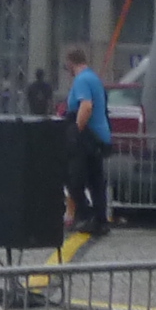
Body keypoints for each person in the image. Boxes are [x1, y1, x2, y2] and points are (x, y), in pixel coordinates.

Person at [60, 43, 111, 242]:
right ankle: (100, 219)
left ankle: (86, 215)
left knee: (73, 178)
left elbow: (86, 106)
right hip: (100, 136)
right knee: (96, 181)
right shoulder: (94, 78)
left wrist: (75, 131)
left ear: (70, 63)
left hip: (86, 137)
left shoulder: (81, 80)